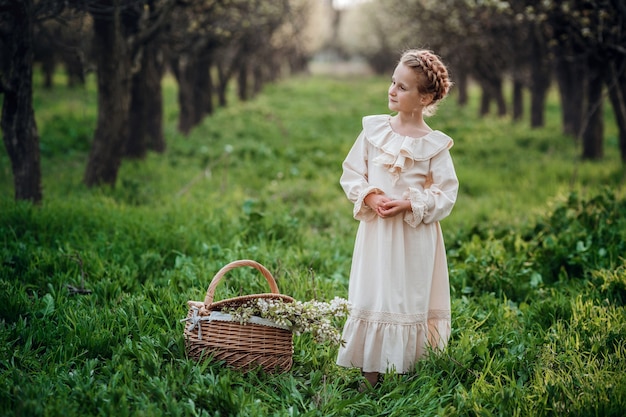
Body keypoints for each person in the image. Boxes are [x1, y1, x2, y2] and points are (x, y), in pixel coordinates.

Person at [336, 49, 458, 390]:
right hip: (377, 235)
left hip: (412, 239)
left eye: (402, 87)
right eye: (393, 81)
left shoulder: (434, 146)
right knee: (375, 294)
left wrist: (408, 204)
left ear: (425, 97)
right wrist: (371, 196)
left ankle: (404, 371)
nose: (392, 90)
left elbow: (446, 194)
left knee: (406, 297)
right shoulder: (374, 131)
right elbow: (351, 172)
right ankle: (370, 375)